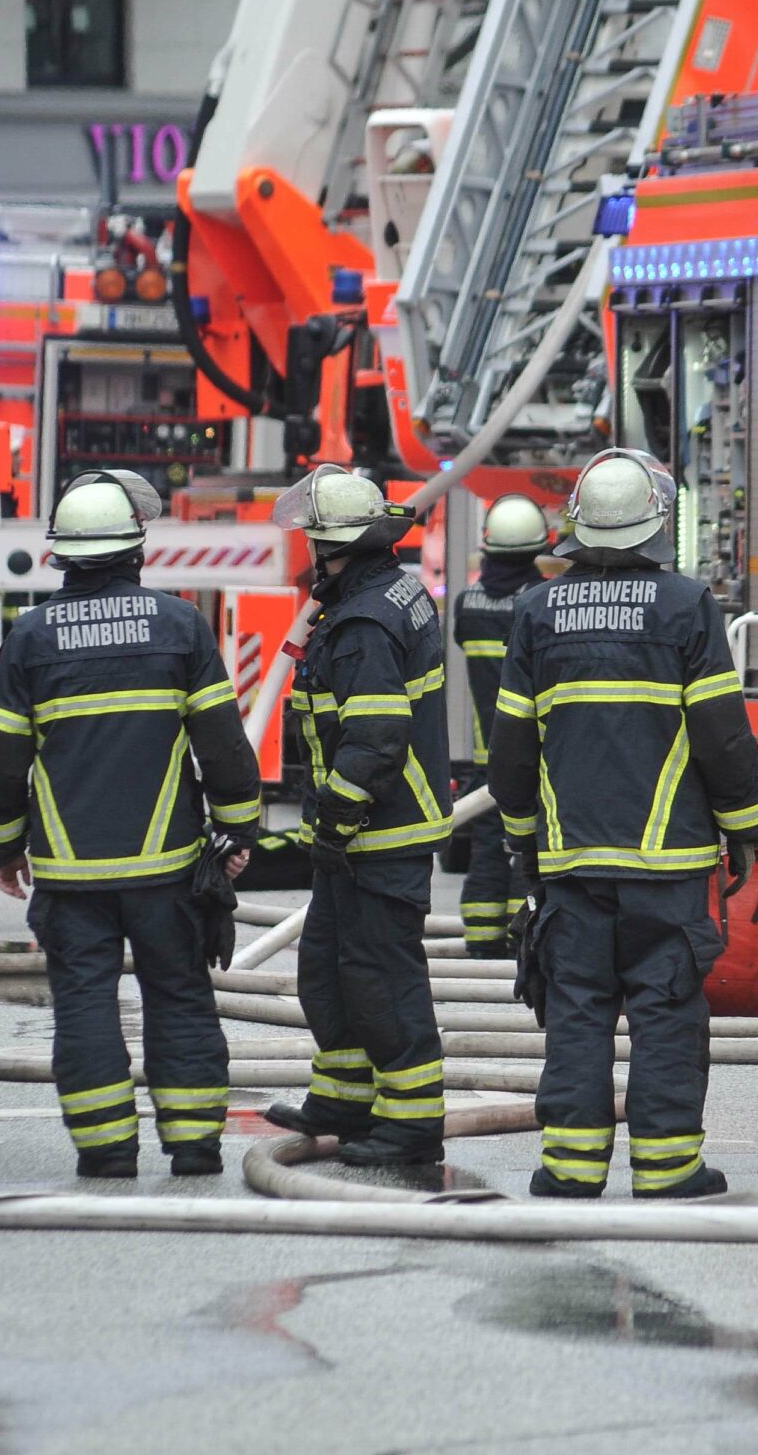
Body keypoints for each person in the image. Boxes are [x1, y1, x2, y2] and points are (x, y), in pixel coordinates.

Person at [486, 450, 758, 1200]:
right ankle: (666, 1167)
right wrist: (747, 825)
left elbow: (512, 752)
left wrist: (525, 843)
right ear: (656, 526)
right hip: (668, 867)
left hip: (572, 865)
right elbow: (723, 736)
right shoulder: (688, 607)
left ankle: (571, 1164)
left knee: (577, 1009)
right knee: (665, 1012)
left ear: (577, 528)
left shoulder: (535, 611)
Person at [0, 469, 266, 1179]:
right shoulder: (179, 625)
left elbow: (1, 763)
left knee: (85, 1010)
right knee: (181, 998)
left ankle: (105, 1148)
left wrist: (2, 847)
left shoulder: (29, 639)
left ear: (61, 555)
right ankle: (193, 1143)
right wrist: (237, 833)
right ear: (138, 549)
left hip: (72, 881)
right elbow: (223, 746)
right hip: (166, 869)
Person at [259, 465, 455, 1168]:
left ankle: (410, 1122)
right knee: (328, 967)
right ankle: (344, 1094)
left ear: (332, 545)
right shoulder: (380, 593)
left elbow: (374, 738)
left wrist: (335, 823)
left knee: (380, 976)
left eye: (311, 540)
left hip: (380, 830)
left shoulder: (365, 622)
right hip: (365, 830)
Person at [450, 494, 552, 956]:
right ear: (537, 548)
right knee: (527, 844)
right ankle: (522, 940)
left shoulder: (467, 604)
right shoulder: (539, 603)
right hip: (533, 750)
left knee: (488, 842)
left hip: (484, 752)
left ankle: (481, 938)